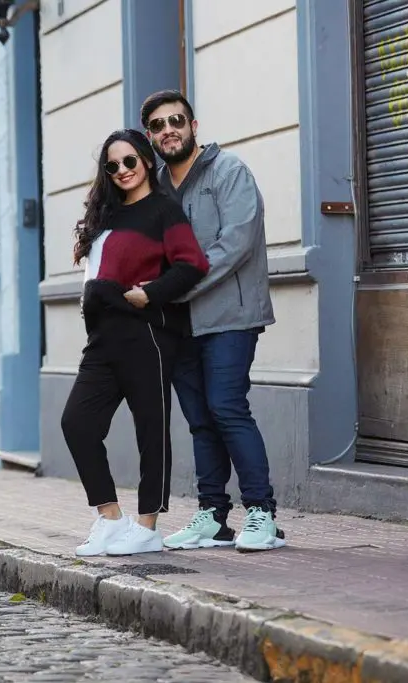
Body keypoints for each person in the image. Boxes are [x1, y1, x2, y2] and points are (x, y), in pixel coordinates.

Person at [139, 89, 285, 552]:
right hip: (178, 323)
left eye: (177, 120)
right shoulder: (156, 187)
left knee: (227, 408)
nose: (169, 130)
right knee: (200, 419)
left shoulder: (229, 171)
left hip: (230, 315)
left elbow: (236, 243)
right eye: (159, 125)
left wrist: (173, 286)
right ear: (151, 136)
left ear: (193, 125)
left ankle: (261, 513)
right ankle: (213, 517)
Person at [61, 129, 208, 557]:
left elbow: (192, 264)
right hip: (102, 340)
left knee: (151, 430)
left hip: (145, 334)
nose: (122, 171)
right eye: (113, 165)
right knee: (77, 423)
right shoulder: (105, 215)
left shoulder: (163, 210)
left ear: (146, 160)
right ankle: (110, 519)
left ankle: (147, 526)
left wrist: (152, 293)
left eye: (129, 161)